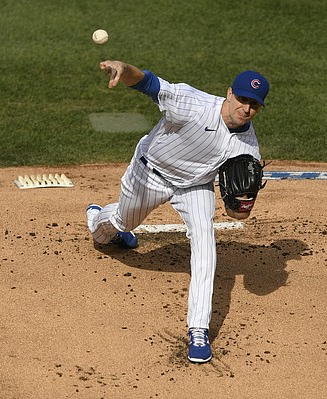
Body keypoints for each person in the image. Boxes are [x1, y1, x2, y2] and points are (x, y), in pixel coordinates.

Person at [86, 60, 269, 363]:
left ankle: (198, 329)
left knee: (206, 246)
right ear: (229, 93)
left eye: (254, 105)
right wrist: (123, 67)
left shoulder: (248, 148)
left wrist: (241, 205)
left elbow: (238, 215)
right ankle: (97, 220)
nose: (246, 108)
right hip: (151, 172)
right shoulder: (192, 103)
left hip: (195, 187)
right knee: (122, 221)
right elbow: (148, 83)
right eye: (242, 99)